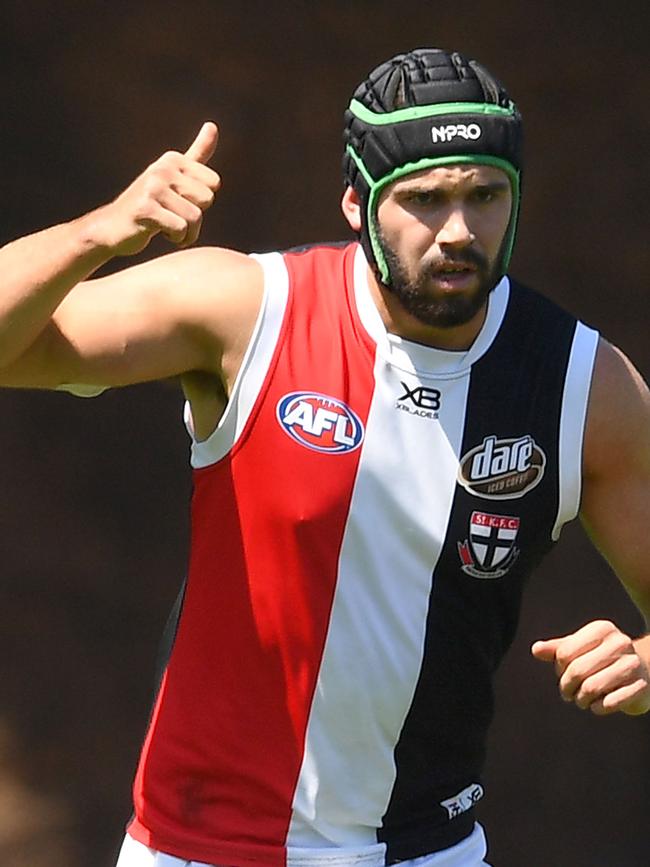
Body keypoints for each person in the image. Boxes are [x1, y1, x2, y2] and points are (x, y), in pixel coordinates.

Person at [1, 47, 649, 867]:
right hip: (198, 850)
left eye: (486, 195)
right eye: (424, 199)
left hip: (428, 851)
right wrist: (99, 232)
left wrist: (642, 664)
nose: (458, 230)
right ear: (356, 201)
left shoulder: (587, 383)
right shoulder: (245, 311)